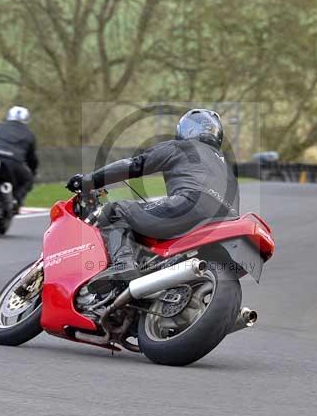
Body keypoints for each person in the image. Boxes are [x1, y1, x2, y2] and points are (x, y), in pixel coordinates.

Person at [66, 109, 239, 292]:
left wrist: (88, 181)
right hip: (224, 221)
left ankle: (123, 263)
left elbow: (135, 165)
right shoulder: (228, 170)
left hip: (191, 205)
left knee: (115, 211)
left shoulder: (181, 148)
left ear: (186, 130)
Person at [0, 105, 39, 208]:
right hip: (14, 163)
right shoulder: (29, 134)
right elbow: (31, 159)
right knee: (28, 180)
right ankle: (16, 200)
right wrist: (33, 172)